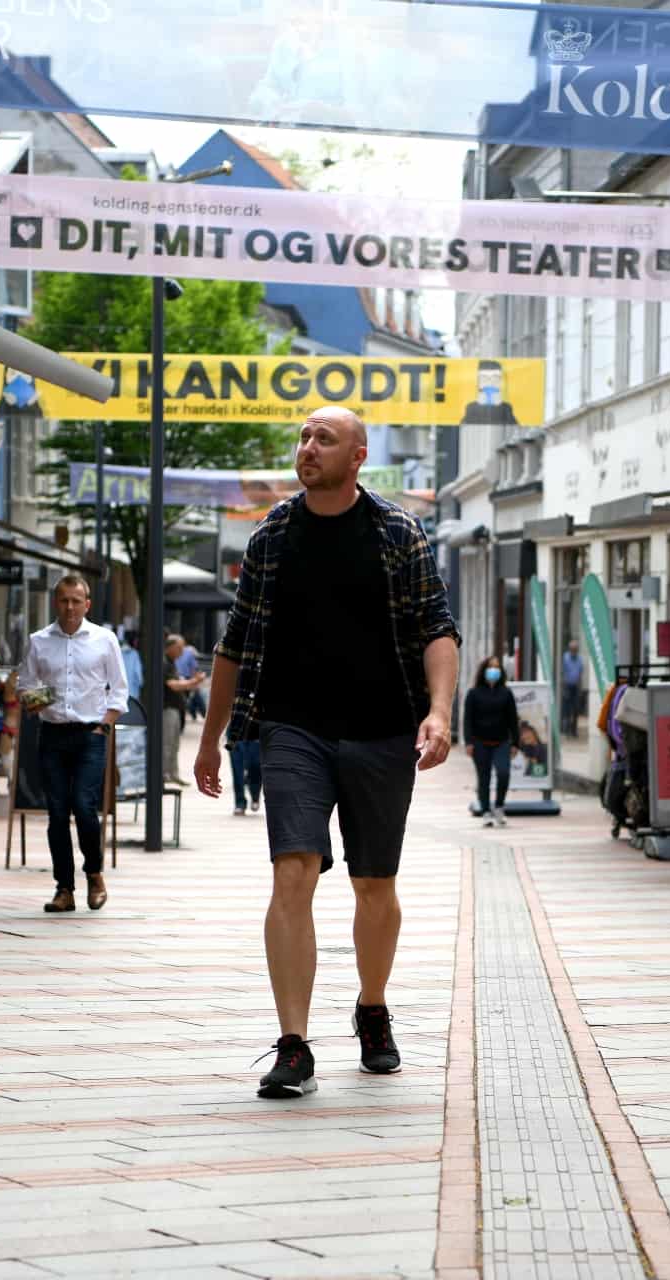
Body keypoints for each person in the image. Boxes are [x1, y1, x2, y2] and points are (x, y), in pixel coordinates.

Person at [194, 405, 459, 1100]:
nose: (308, 448)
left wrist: (438, 711)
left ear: (358, 455)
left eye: (325, 439)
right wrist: (208, 739)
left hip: (381, 729)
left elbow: (436, 625)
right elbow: (235, 640)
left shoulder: (399, 532)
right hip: (291, 727)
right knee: (292, 872)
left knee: (374, 885)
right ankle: (293, 1044)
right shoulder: (272, 535)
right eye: (304, 436)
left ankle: (372, 1008)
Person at [15, 574, 128, 914]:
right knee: (57, 813)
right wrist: (36, 699)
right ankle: (64, 888)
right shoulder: (38, 641)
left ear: (87, 604)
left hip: (90, 734)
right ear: (55, 602)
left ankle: (94, 873)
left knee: (83, 805)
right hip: (52, 735)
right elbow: (24, 686)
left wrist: (104, 726)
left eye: (76, 601)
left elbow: (119, 690)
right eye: (64, 600)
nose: (69, 607)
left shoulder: (104, 639)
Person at [463, 655, 519, 827]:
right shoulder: (473, 693)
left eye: (496, 667)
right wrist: (469, 742)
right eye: (490, 667)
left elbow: (513, 719)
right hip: (480, 743)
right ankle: (486, 810)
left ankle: (499, 806)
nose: (493, 670)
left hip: (501, 742)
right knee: (484, 778)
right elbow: (467, 720)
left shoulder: (506, 693)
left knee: (504, 773)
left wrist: (515, 743)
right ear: (484, 670)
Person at [162, 633, 205, 785]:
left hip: (175, 709)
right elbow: (173, 684)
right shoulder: (164, 662)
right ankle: (164, 774)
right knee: (167, 743)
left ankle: (172, 773)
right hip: (167, 709)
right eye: (179, 648)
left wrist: (193, 682)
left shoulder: (172, 662)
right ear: (171, 647)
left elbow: (180, 682)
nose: (182, 651)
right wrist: (194, 681)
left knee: (174, 744)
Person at [228, 734, 263, 817]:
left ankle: (255, 795)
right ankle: (239, 802)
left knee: (255, 764)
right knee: (237, 768)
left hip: (256, 730)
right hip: (235, 731)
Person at [560, 639, 585, 736]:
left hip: (576, 687)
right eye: (572, 649)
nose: (574, 651)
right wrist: (562, 686)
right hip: (567, 686)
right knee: (566, 709)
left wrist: (580, 687)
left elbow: (580, 673)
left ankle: (574, 730)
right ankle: (565, 729)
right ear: (570, 649)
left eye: (576, 649)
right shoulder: (565, 657)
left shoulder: (580, 659)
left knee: (575, 709)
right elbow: (561, 672)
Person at [179, 639, 207, 720]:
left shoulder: (181, 651)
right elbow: (194, 668)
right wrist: (196, 680)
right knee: (195, 696)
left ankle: (194, 714)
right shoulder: (190, 652)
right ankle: (202, 713)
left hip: (180, 677)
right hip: (188, 678)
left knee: (189, 698)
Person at [120, 631, 144, 704]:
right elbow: (138, 676)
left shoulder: (116, 652)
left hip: (118, 694)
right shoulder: (134, 654)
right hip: (132, 694)